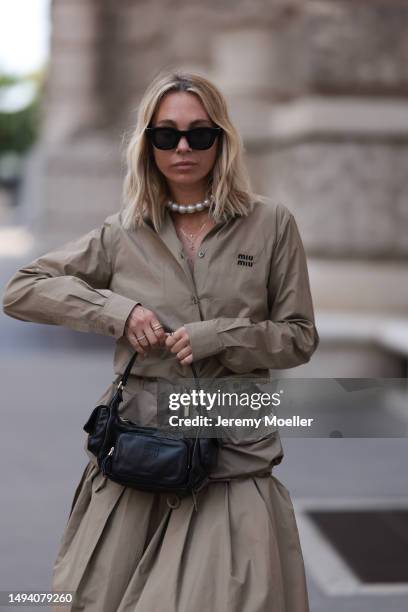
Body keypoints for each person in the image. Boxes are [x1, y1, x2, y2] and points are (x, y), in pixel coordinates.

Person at [2, 70, 320, 612]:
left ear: (222, 139)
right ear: (146, 144)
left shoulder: (271, 225)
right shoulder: (121, 232)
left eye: (200, 134)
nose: (182, 148)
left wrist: (219, 336)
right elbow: (21, 289)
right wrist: (117, 312)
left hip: (232, 463)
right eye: (165, 134)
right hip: (136, 458)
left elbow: (299, 338)